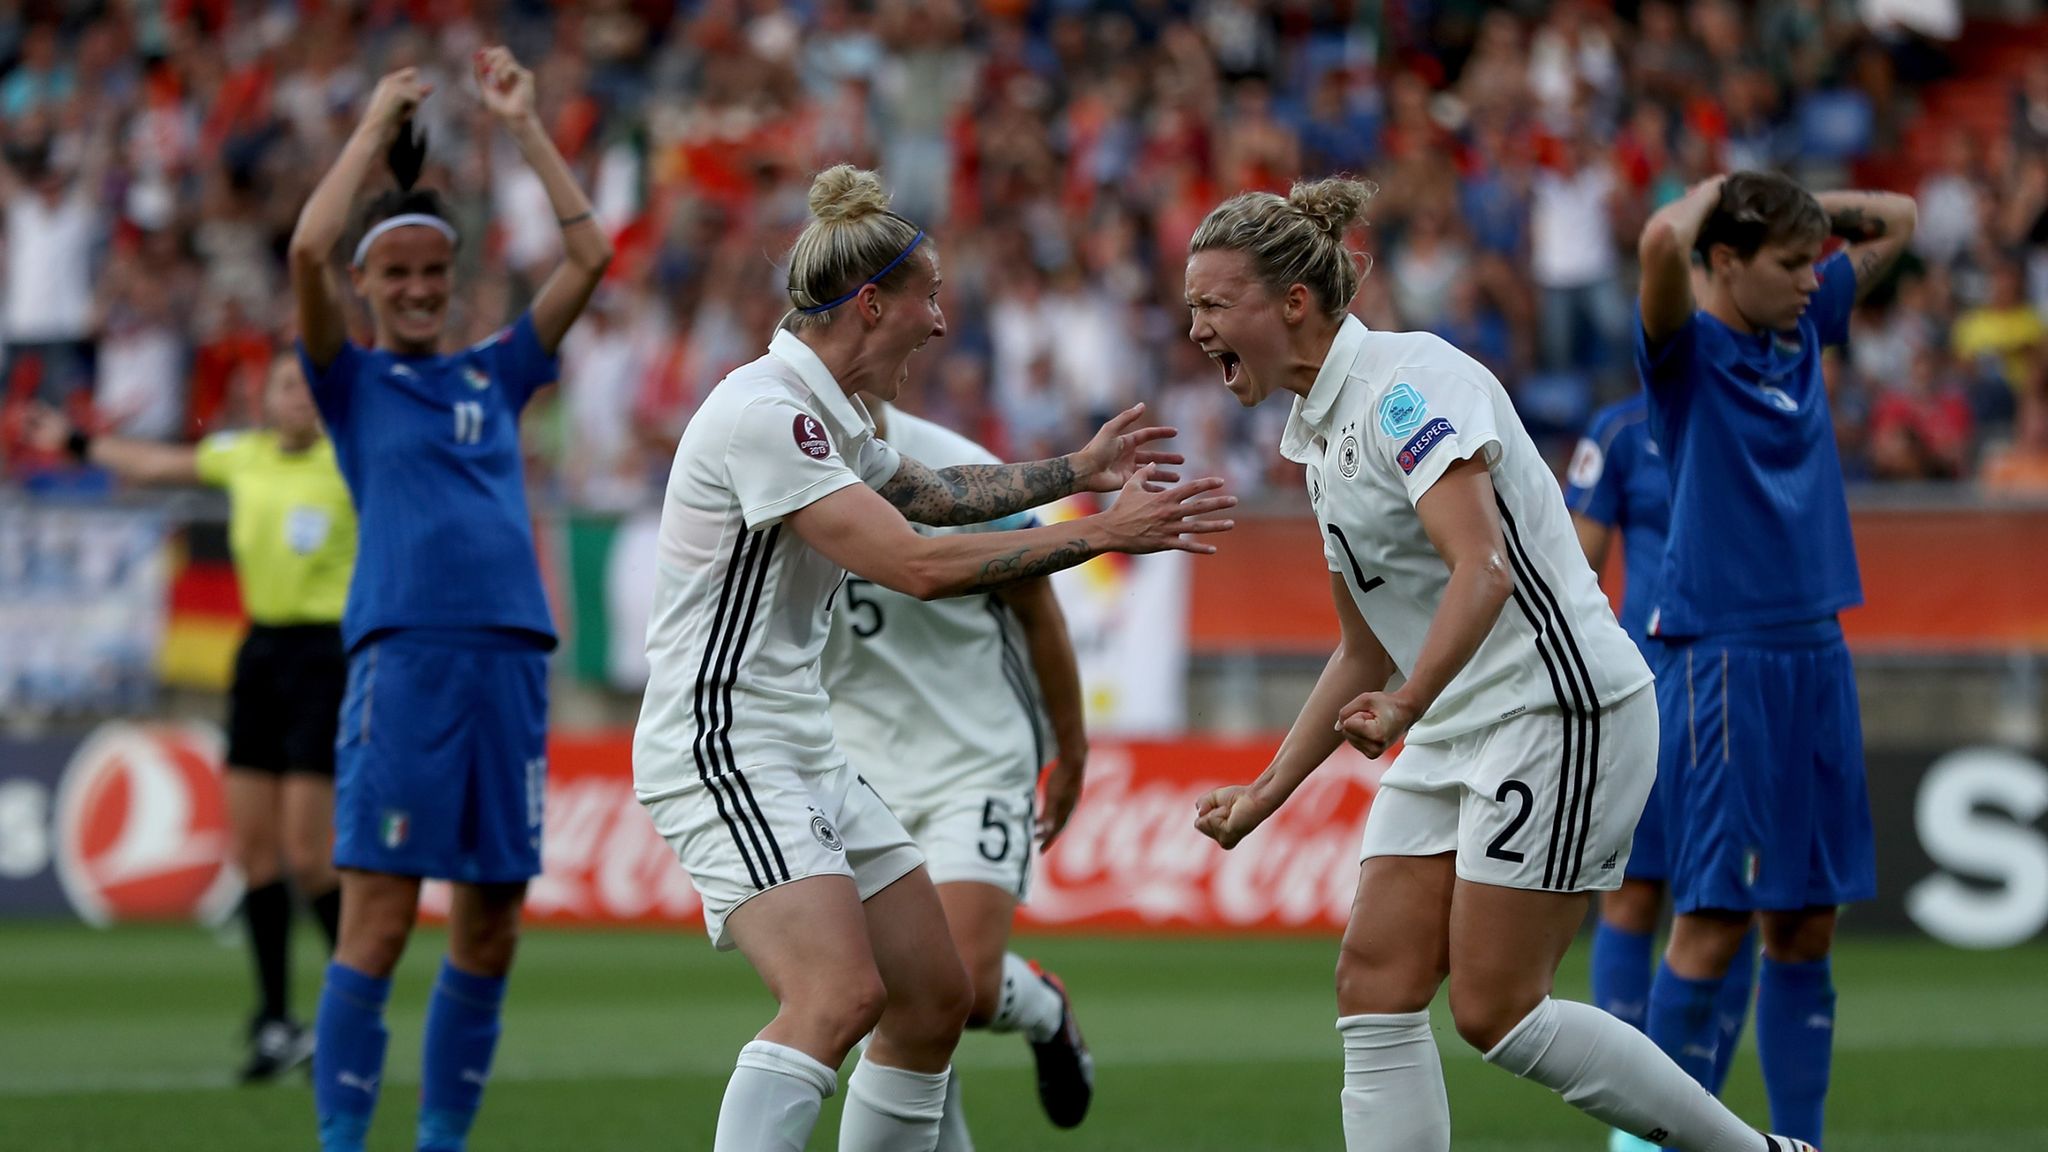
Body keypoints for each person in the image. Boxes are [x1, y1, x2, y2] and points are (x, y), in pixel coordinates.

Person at [1186, 176, 1816, 1152]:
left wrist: (1402, 707)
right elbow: (1362, 643)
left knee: (1497, 1010)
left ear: (1293, 304)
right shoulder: (1316, 437)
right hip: (1450, 723)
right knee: (1374, 982)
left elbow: (1480, 570)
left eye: (1211, 305)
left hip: (1553, 706)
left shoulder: (1404, 389)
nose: (1194, 329)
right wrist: (1265, 792)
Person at [633, 164, 1234, 1152]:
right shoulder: (766, 414)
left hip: (800, 746)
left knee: (931, 996)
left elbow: (935, 493)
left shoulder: (821, 411)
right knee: (833, 999)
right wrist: (1098, 534)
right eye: (931, 298)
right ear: (871, 305)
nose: (943, 323)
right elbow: (913, 563)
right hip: (723, 747)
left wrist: (1075, 473)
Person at [287, 49, 612, 1152]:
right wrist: (377, 127)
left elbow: (588, 251)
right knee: (375, 922)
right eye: (399, 275)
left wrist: (522, 125)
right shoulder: (351, 382)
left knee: (492, 928)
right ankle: (340, 1143)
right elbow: (307, 246)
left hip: (511, 667)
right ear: (369, 288)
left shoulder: (496, 372)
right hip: (405, 662)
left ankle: (440, 1145)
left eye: (436, 272)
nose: (420, 289)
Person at [1635, 172, 1916, 1149]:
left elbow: (1900, 219)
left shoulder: (1796, 330)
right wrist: (1713, 192)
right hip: (1723, 654)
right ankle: (1648, 1145)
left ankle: (1801, 1141)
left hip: (1815, 647)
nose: (1813, 281)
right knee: (1712, 919)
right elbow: (1654, 246)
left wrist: (1795, 206)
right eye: (1789, 264)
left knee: (1804, 923)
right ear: (1723, 261)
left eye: (1814, 263)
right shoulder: (1685, 353)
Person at [31, 353, 354, 1083]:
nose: (297, 396)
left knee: (309, 854)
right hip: (261, 653)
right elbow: (152, 464)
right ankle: (275, 1022)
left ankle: (351, 1009)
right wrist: (77, 443)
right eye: (283, 385)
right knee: (254, 853)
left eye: (307, 384)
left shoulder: (349, 463)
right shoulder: (244, 457)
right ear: (262, 399)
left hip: (323, 658)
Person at [821, 394, 1096, 1145]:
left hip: (975, 755)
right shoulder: (783, 454)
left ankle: (1040, 1005)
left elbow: (1039, 610)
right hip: (852, 769)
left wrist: (1070, 750)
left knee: (964, 989)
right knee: (899, 1005)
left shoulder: (954, 471)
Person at [1565, 391, 1757, 1152]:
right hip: (1641, 695)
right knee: (1632, 894)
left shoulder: (1751, 415)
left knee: (1724, 906)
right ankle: (1633, 1129)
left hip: (1740, 694)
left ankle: (1699, 1099)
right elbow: (1574, 566)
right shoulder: (1617, 430)